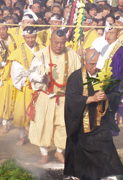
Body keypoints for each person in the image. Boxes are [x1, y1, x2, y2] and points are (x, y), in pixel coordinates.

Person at [64, 49, 123, 180]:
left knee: (105, 150)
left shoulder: (104, 76)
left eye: (97, 63)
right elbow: (71, 99)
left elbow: (116, 95)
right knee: (81, 157)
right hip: (81, 125)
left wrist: (105, 97)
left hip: (100, 124)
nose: (95, 67)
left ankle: (106, 177)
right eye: (92, 64)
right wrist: (91, 98)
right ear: (84, 62)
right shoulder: (75, 77)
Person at [28, 30, 81, 164]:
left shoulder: (72, 55)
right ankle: (44, 154)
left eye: (62, 43)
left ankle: (59, 151)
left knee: (63, 125)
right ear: (50, 41)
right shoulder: (40, 55)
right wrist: (41, 79)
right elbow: (31, 75)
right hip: (46, 96)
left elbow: (79, 76)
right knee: (43, 124)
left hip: (64, 97)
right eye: (56, 42)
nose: (59, 46)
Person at [9, 27, 44, 145]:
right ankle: (22, 136)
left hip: (39, 87)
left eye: (33, 37)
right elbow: (15, 71)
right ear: (23, 38)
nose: (30, 40)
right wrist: (27, 77)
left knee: (39, 113)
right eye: (28, 37)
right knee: (21, 112)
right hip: (24, 86)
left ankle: (38, 136)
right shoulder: (18, 52)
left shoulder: (43, 49)